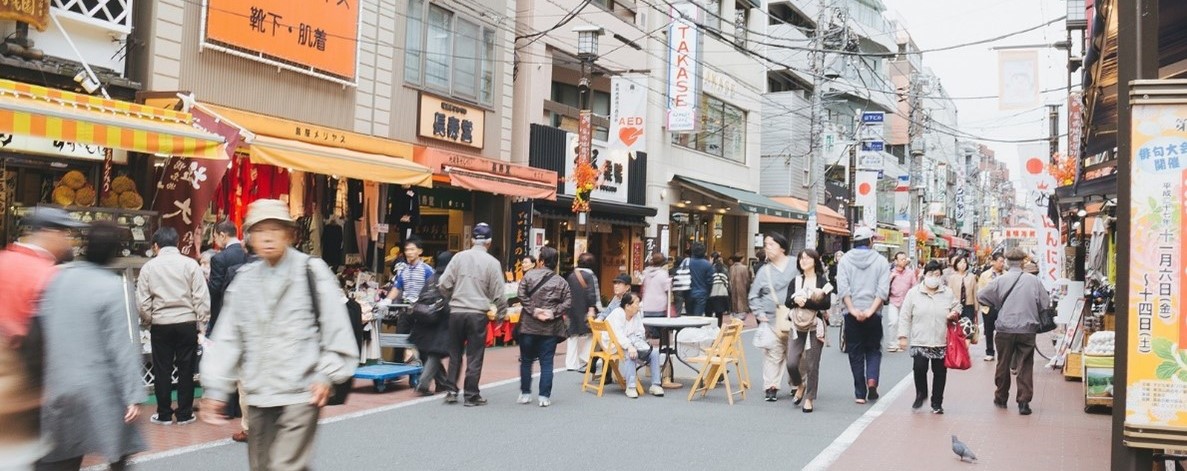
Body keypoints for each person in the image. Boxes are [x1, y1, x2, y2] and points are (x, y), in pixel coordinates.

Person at [199, 199, 358, 470]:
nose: (269, 237)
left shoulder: (311, 270)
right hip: (259, 394)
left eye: (276, 229)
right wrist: (216, 388)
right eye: (260, 230)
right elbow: (228, 338)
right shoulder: (244, 280)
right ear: (250, 237)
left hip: (302, 393)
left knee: (284, 466)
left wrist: (326, 374)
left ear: (290, 234)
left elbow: (337, 327)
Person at [36, 222, 145, 470]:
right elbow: (122, 345)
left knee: (61, 457)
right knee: (120, 447)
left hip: (58, 385)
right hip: (99, 389)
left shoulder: (57, 277)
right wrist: (133, 394)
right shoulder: (113, 287)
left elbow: (42, 326)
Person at [0, 207, 85, 469]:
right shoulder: (48, 275)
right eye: (66, 233)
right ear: (49, 232)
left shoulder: (3, 260)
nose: (69, 240)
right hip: (26, 393)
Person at [137, 227, 210, 426]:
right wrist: (201, 322)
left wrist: (149, 319)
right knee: (186, 368)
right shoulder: (190, 264)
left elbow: (143, 301)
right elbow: (201, 296)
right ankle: (185, 413)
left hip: (161, 324)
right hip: (186, 322)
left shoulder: (149, 267)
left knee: (162, 369)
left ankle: (164, 414)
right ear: (177, 243)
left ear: (155, 245)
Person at [437, 223, 507, 407]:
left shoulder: (459, 257)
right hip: (477, 313)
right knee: (475, 355)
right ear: (489, 242)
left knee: (454, 353)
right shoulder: (493, 263)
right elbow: (499, 293)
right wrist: (501, 313)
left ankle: (451, 390)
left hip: (457, 312)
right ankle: (471, 394)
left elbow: (443, 283)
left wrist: (453, 297)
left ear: (473, 240)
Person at [977, 248, 1049, 416]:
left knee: (1003, 363)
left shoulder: (1000, 280)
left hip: (1005, 328)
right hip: (1027, 329)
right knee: (1025, 364)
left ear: (1007, 262)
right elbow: (1045, 303)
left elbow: (982, 296)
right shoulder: (1034, 281)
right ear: (1023, 262)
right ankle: (1023, 402)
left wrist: (998, 304)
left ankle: (1001, 397)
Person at [897, 260, 961, 415]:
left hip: (940, 340)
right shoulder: (914, 293)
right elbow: (905, 315)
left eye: (937, 274)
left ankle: (937, 403)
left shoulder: (947, 292)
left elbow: (957, 306)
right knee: (919, 369)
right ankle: (921, 393)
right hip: (920, 339)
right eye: (931, 274)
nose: (934, 277)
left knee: (940, 373)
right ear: (924, 275)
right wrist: (902, 336)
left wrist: (954, 313)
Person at [836, 226, 890, 404]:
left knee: (855, 352)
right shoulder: (881, 261)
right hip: (874, 314)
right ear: (870, 242)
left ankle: (860, 393)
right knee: (873, 350)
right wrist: (870, 310)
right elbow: (882, 291)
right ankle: (872, 380)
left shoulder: (844, 261)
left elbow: (843, 288)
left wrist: (852, 310)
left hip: (851, 314)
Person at [516, 247, 571, 407]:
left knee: (526, 361)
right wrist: (552, 312)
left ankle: (525, 394)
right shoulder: (561, 281)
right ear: (555, 263)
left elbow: (521, 294)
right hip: (550, 328)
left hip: (528, 325)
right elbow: (568, 301)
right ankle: (544, 397)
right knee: (547, 362)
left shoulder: (529, 276)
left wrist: (534, 310)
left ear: (540, 261)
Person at [748, 232, 800, 402]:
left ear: (782, 247)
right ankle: (771, 386)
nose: (767, 248)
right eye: (765, 244)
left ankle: (795, 383)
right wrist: (759, 313)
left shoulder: (796, 264)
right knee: (773, 353)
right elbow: (753, 295)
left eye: (771, 244)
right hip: (771, 320)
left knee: (796, 354)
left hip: (797, 318)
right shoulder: (764, 271)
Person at [785, 249, 831, 413]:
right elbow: (787, 302)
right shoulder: (795, 281)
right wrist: (795, 300)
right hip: (797, 325)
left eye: (807, 258)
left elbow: (826, 304)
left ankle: (809, 398)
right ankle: (799, 385)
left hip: (815, 326)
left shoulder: (822, 281)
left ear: (815, 261)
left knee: (812, 364)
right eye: (801, 258)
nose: (803, 261)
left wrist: (807, 303)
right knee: (791, 362)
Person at [407, 251, 454, 397]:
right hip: (440, 323)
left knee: (428, 353)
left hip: (423, 321)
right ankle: (424, 383)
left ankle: (442, 382)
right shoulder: (450, 279)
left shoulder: (431, 277)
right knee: (435, 354)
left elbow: (422, 296)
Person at [604, 292, 665, 398]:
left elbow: (640, 332)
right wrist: (630, 346)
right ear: (627, 306)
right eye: (636, 303)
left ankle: (655, 385)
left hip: (631, 342)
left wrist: (638, 343)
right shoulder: (618, 313)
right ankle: (631, 386)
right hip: (614, 344)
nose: (639, 306)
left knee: (654, 352)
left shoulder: (636, 315)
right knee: (631, 353)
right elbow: (618, 335)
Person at [208, 220, 248, 335]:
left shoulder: (219, 258)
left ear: (222, 235)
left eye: (215, 237)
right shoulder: (247, 253)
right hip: (245, 308)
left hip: (224, 311)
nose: (215, 241)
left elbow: (215, 289)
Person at [565, 252, 600, 373]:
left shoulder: (571, 275)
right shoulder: (590, 276)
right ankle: (584, 358)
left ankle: (570, 363)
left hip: (571, 310)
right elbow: (592, 293)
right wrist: (592, 308)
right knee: (594, 333)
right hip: (585, 310)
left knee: (572, 336)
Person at [886, 252, 918, 353]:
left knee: (903, 323)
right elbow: (884, 286)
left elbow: (915, 286)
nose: (904, 261)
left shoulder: (910, 273)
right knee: (893, 321)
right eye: (901, 259)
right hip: (893, 300)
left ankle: (901, 342)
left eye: (905, 259)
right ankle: (892, 343)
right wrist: (890, 278)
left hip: (906, 302)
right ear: (896, 261)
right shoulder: (890, 272)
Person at [977, 252, 1006, 361]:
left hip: (1003, 307)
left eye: (1003, 261)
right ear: (993, 262)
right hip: (988, 307)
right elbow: (980, 291)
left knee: (1002, 331)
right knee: (988, 331)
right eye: (1000, 261)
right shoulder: (985, 275)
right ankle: (990, 352)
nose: (1002, 264)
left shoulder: (1006, 274)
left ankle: (1002, 353)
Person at [947, 255, 980, 328]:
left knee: (968, 328)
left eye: (964, 262)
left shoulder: (971, 277)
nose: (963, 265)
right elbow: (949, 294)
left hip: (969, 306)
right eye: (960, 263)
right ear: (956, 264)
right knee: (956, 328)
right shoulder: (952, 278)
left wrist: (976, 308)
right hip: (956, 307)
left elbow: (975, 293)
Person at [684, 243, 714, 316]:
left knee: (689, 316)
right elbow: (710, 281)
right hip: (702, 293)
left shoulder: (687, 263)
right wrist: (708, 292)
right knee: (697, 318)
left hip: (688, 292)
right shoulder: (708, 265)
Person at [640, 252, 671, 319]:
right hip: (660, 306)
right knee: (659, 326)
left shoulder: (646, 272)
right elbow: (667, 289)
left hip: (646, 305)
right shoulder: (664, 274)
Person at [728, 252, 753, 321]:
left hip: (733, 288)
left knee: (734, 302)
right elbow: (747, 280)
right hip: (742, 288)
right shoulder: (744, 268)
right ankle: (740, 318)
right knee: (742, 303)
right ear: (741, 259)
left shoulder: (731, 268)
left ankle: (736, 316)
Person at [706, 255, 730, 324]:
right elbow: (727, 283)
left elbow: (709, 282)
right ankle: (719, 327)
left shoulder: (711, 271)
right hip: (722, 294)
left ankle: (709, 326)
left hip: (712, 294)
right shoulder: (725, 271)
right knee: (719, 314)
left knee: (709, 312)